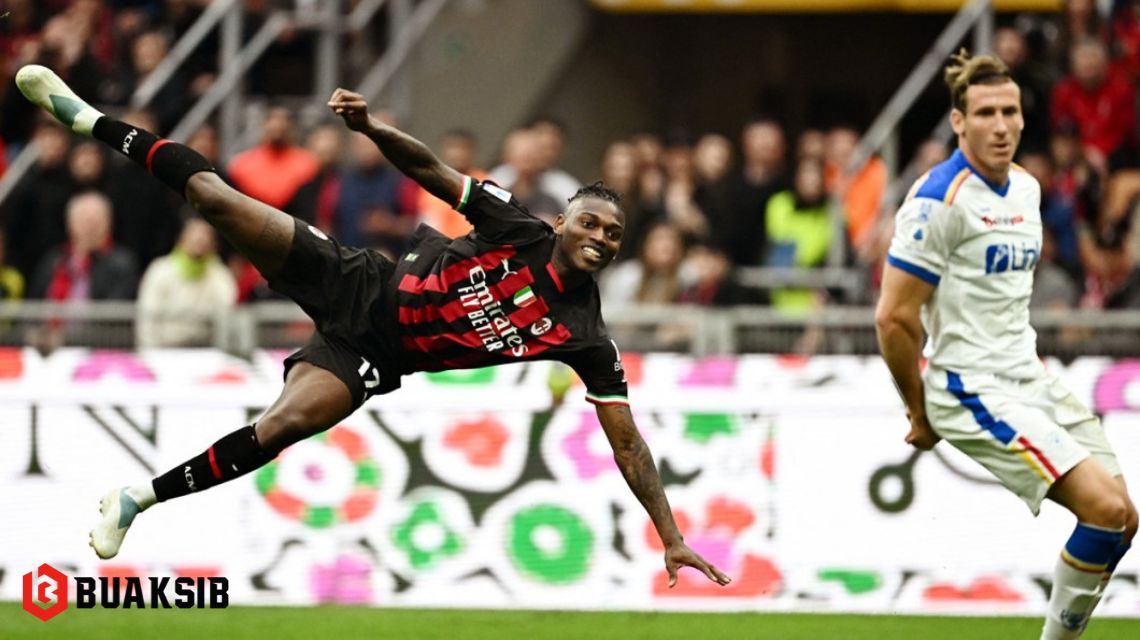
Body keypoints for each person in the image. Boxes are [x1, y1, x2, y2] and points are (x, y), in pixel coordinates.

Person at [15, 64, 731, 589]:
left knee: (282, 427)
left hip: (373, 355)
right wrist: (370, 127)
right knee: (215, 197)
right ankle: (89, 118)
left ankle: (136, 499)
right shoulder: (517, 226)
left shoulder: (587, 339)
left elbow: (628, 444)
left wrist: (670, 535)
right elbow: (432, 169)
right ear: (565, 220)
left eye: (613, 233)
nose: (600, 236)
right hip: (358, 279)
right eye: (590, 222)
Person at [875, 50, 1136, 640]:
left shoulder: (1026, 188)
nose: (1000, 125)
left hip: (1029, 376)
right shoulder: (938, 200)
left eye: (1009, 112)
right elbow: (893, 317)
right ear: (958, 122)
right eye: (985, 112)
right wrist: (918, 409)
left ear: (1022, 118)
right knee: (1104, 511)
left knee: (1123, 521)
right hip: (969, 385)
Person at [136, 218, 237, 348]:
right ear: (181, 238)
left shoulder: (220, 276)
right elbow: (147, 318)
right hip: (165, 350)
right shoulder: (160, 270)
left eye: (206, 234)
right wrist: (151, 353)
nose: (200, 239)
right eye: (194, 233)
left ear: (214, 243)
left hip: (206, 351)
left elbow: (227, 315)